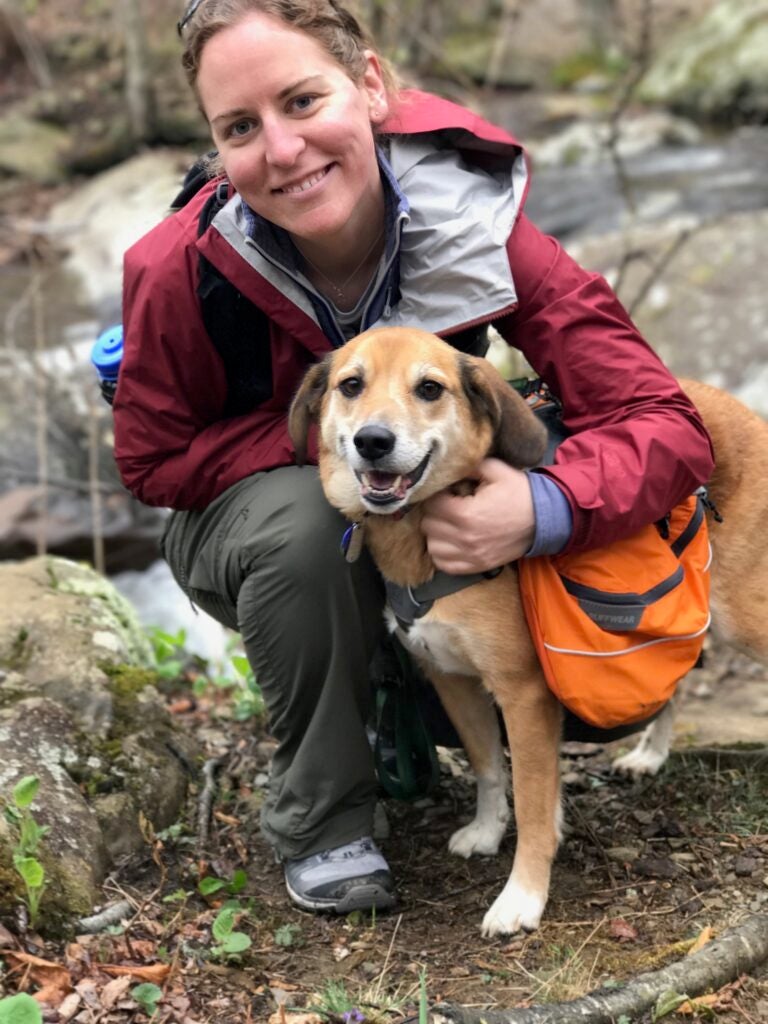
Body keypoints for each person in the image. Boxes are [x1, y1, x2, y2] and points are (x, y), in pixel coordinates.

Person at [113, 0, 714, 915]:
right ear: (216, 145)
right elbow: (152, 461)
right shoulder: (176, 268)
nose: (281, 149)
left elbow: (663, 421)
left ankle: (405, 689)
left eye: (303, 100)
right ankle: (326, 818)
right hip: (252, 516)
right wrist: (325, 432)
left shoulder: (476, 226)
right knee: (321, 518)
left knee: (569, 644)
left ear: (371, 87)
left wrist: (541, 506)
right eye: (240, 127)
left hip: (428, 497)